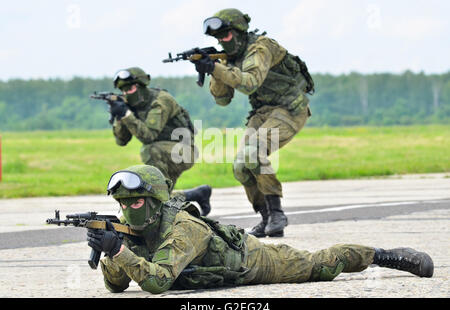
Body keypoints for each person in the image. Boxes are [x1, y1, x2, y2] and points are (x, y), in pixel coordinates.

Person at [87, 165, 434, 294]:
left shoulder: (183, 227)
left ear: (155, 200)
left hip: (250, 261)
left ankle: (385, 255)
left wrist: (118, 250)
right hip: (212, 274)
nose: (128, 210)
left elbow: (157, 282)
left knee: (320, 266)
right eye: (123, 204)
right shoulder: (136, 228)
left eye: (135, 203)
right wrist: (111, 250)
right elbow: (116, 287)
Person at [191, 8, 316, 237]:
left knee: (254, 151)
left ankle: (277, 213)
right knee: (241, 166)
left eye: (226, 35)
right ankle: (266, 217)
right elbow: (222, 100)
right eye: (218, 38)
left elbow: (249, 83)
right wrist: (213, 70)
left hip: (290, 108)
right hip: (262, 112)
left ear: (239, 32)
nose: (222, 41)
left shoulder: (261, 47)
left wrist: (216, 67)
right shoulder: (231, 57)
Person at [109, 67, 212, 215]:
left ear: (141, 85)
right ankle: (196, 194)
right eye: (123, 91)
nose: (126, 94)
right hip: (164, 153)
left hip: (183, 151)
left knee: (149, 151)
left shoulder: (161, 100)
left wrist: (127, 114)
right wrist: (119, 117)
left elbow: (148, 135)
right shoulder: (132, 105)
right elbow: (121, 141)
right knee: (162, 199)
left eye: (130, 88)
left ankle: (160, 203)